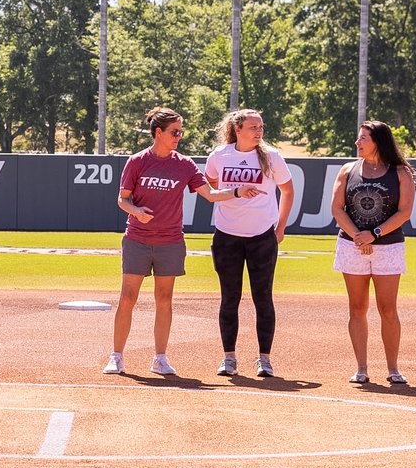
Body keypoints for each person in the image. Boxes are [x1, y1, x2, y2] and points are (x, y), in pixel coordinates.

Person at [104, 107, 263, 376]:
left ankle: (160, 358)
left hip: (170, 241)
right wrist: (136, 211)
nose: (179, 136)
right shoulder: (138, 161)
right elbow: (123, 199)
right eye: (174, 132)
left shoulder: (185, 164)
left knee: (164, 298)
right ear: (158, 133)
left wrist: (237, 191)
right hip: (138, 239)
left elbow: (210, 195)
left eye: (181, 132)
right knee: (128, 297)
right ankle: (117, 356)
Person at [204, 109, 295, 378]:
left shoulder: (271, 157)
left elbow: (288, 191)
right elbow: (209, 185)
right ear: (237, 128)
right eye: (253, 127)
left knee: (263, 298)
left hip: (262, 237)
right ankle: (228, 358)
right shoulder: (219, 155)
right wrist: (232, 193)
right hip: (226, 236)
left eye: (261, 127)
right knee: (229, 298)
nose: (259, 131)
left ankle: (264, 359)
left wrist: (280, 227)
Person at [330, 120, 416, 385]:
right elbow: (337, 208)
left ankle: (393, 368)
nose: (358, 143)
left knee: (388, 309)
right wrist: (358, 236)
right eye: (358, 138)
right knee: (357, 308)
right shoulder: (348, 170)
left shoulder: (401, 172)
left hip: (388, 247)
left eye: (363, 138)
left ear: (378, 141)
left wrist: (374, 234)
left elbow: (405, 212)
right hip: (351, 246)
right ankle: (361, 368)